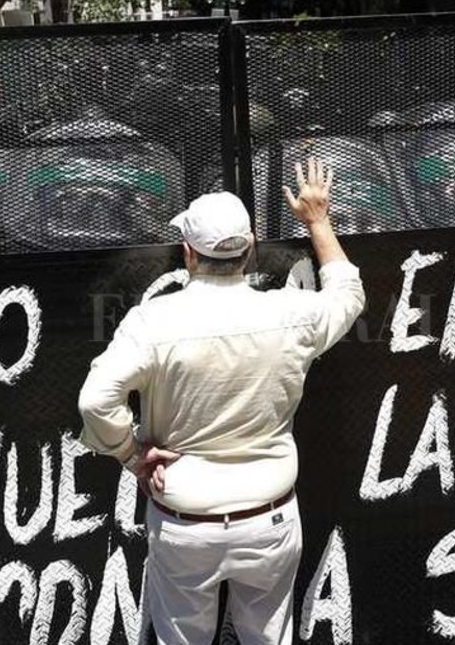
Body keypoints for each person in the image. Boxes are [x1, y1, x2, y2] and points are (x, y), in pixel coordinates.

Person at [77, 157, 365, 644]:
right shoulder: (291, 315)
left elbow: (94, 402)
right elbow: (348, 294)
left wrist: (130, 455)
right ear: (250, 250)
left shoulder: (153, 322)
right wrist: (318, 221)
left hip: (184, 523)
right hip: (269, 519)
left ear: (188, 253)